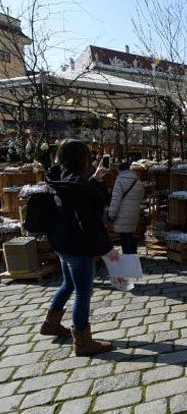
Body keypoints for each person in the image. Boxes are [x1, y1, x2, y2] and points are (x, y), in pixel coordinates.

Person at [40, 139, 116, 356]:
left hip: (60, 240)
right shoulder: (79, 185)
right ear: (81, 159)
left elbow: (76, 193)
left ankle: (51, 324)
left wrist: (94, 179)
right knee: (83, 291)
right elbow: (92, 213)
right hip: (77, 244)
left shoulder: (57, 175)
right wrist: (106, 249)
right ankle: (83, 341)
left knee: (68, 284)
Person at [108, 160, 145, 256]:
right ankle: (133, 256)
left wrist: (111, 214)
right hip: (134, 213)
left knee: (125, 237)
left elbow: (116, 199)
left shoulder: (119, 180)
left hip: (122, 214)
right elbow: (141, 196)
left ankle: (129, 260)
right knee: (131, 235)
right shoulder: (137, 180)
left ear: (119, 170)